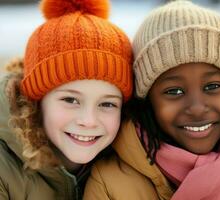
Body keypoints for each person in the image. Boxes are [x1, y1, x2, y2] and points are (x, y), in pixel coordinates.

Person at [84, 1, 220, 199]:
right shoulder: (110, 183)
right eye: (174, 91)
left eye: (212, 87)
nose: (196, 108)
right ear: (148, 101)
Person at [0, 0, 133, 199]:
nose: (88, 120)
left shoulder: (128, 165)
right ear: (36, 100)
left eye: (107, 104)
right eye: (71, 100)